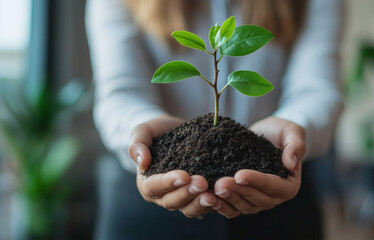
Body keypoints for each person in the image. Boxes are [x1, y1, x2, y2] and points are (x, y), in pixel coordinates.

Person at [86, 0, 343, 239]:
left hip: (276, 198)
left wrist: (294, 126)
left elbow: (316, 88)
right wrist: (141, 130)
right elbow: (120, 93)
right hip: (146, 210)